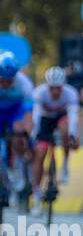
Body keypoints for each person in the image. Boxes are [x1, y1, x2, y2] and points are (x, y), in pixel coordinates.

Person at [30, 67, 79, 201]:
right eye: (52, 88)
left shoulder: (71, 93)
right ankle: (37, 193)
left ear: (63, 86)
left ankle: (65, 165)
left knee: (66, 129)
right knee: (40, 154)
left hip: (61, 118)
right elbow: (36, 116)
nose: (56, 91)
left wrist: (73, 134)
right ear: (47, 86)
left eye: (58, 88)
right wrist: (35, 134)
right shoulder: (39, 93)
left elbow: (73, 117)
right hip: (45, 119)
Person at [0, 52, 34, 208]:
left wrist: (26, 132)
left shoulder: (24, 83)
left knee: (19, 134)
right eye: (3, 80)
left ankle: (18, 166)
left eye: (9, 80)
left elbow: (28, 113)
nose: (6, 83)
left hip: (15, 111)